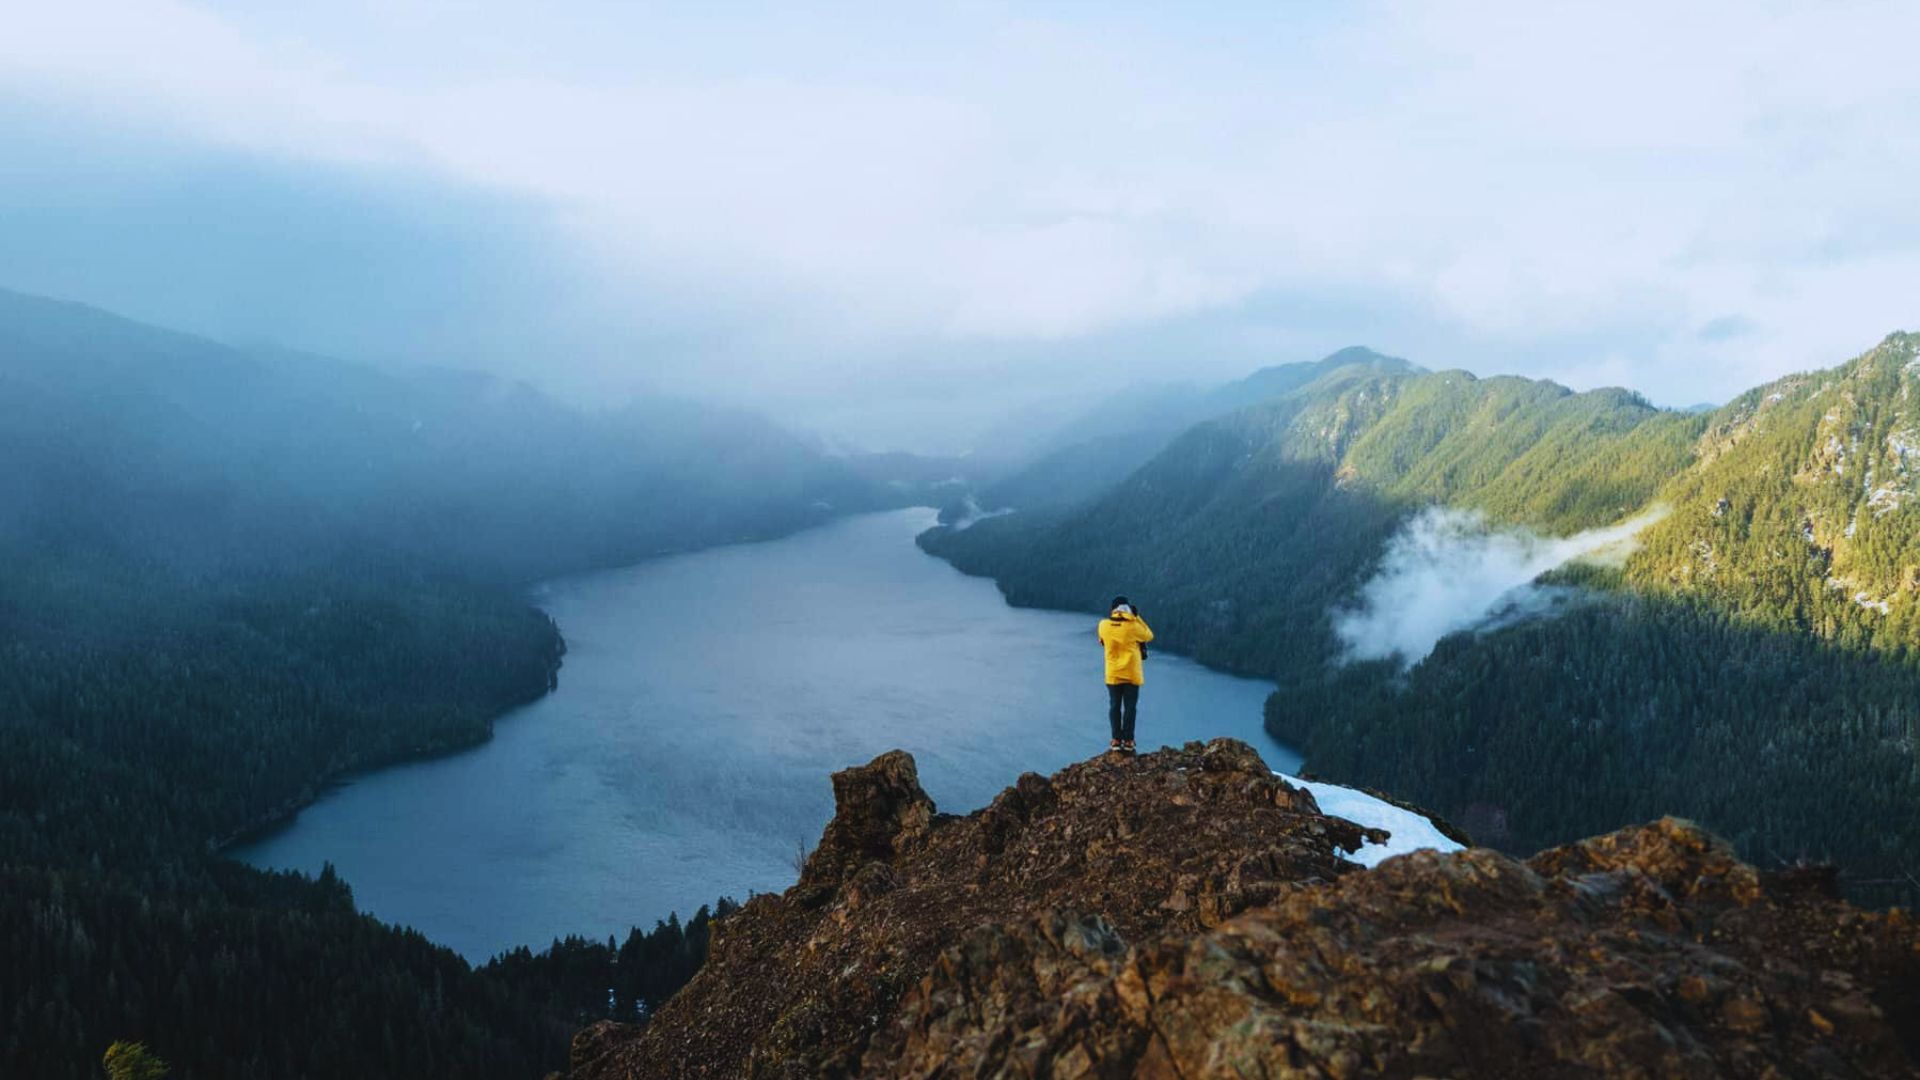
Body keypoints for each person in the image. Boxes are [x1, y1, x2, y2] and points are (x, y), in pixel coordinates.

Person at [1097, 595, 1154, 754]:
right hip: (1131, 673)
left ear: (1113, 610)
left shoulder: (1103, 625)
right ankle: (1128, 741)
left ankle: (1116, 739)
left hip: (1113, 673)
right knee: (1130, 707)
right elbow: (1149, 635)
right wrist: (1136, 618)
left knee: (1114, 705)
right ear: (1128, 609)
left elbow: (1102, 641)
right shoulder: (1133, 627)